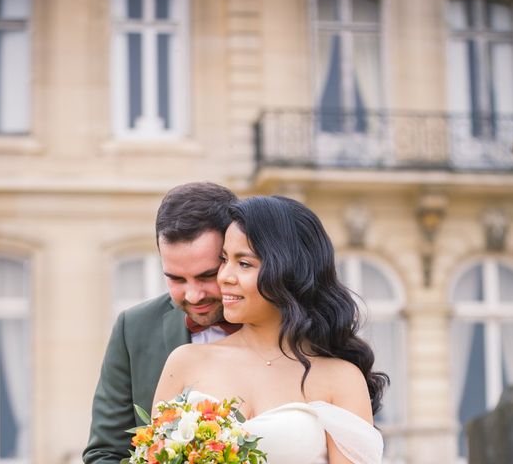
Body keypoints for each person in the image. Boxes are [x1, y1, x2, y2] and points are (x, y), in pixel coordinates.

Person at [153, 195, 388, 464]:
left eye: (244, 263)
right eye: (224, 259)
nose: (224, 277)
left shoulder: (341, 379)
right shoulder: (185, 362)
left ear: (288, 271)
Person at [83, 182, 240, 463]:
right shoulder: (133, 328)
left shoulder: (287, 325)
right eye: (176, 279)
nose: (193, 295)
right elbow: (105, 453)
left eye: (207, 275)